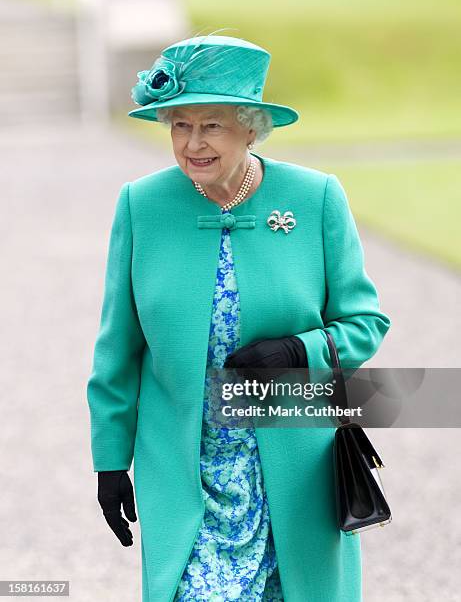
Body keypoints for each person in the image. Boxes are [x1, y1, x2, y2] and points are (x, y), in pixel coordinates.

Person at [87, 32, 391, 602]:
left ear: (251, 127)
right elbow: (117, 349)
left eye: (212, 126)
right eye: (180, 125)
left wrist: (298, 352)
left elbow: (365, 324)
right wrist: (110, 461)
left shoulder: (315, 198)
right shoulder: (141, 205)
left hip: (296, 467)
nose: (192, 144)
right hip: (187, 468)